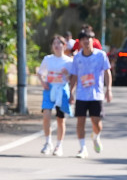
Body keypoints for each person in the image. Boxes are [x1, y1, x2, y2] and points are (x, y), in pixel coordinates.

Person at [69, 28, 113, 158]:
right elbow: (74, 75)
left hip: (96, 94)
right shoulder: (77, 57)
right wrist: (71, 92)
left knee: (96, 122)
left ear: (93, 40)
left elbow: (107, 72)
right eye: (83, 39)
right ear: (80, 42)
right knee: (80, 121)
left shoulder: (101, 55)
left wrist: (109, 90)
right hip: (81, 95)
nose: (86, 41)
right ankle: (82, 148)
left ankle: (96, 136)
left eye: (88, 39)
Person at [37, 35, 73, 156]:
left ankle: (59, 145)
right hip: (49, 89)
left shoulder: (69, 61)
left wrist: (67, 74)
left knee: (60, 119)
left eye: (59, 43)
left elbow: (72, 79)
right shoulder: (48, 59)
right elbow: (40, 73)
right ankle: (48, 143)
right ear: (52, 46)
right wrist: (43, 83)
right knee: (46, 115)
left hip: (62, 90)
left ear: (64, 46)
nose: (57, 45)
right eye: (54, 43)